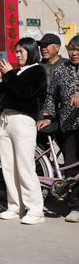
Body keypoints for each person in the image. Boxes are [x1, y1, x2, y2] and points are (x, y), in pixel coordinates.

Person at [0, 38, 47, 225]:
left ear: (31, 52)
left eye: (22, 51)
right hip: (6, 120)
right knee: (8, 167)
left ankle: (36, 210)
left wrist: (9, 75)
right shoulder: (14, 72)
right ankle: (15, 206)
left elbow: (25, 92)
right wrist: (0, 79)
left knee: (25, 167)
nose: (18, 55)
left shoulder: (37, 71)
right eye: (16, 51)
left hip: (23, 120)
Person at [39, 34, 79, 222]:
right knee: (71, 167)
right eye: (71, 49)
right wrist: (48, 117)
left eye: (77, 50)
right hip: (68, 125)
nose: (74, 53)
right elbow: (52, 96)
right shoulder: (62, 69)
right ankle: (74, 206)